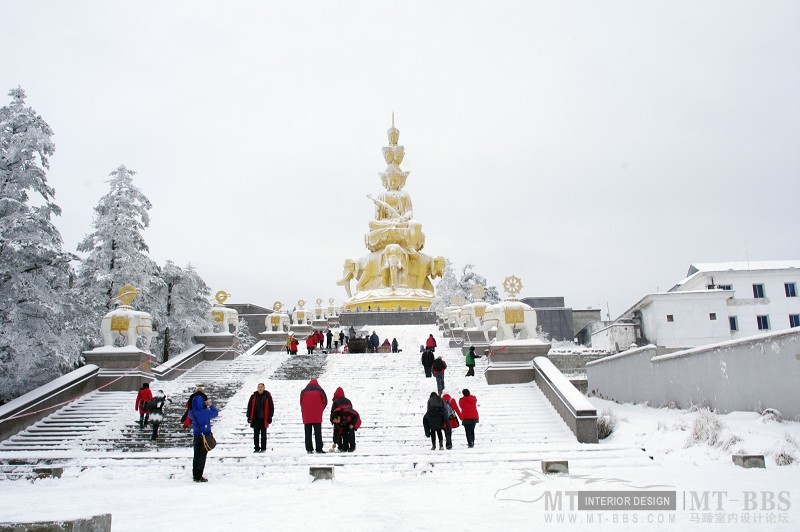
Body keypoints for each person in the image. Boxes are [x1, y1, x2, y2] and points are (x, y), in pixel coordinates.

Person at [189, 388, 218, 482]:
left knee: (196, 456)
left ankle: (195, 474)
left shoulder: (192, 412)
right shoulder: (205, 412)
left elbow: (189, 415)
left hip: (196, 435)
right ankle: (199, 476)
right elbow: (215, 413)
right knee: (202, 456)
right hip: (205, 436)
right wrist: (210, 405)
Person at [300, 378, 328, 454]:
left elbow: (301, 402)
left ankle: (309, 449)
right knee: (318, 433)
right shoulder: (320, 390)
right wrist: (321, 409)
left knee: (307, 433)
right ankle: (319, 449)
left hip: (306, 416)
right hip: (317, 415)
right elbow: (325, 401)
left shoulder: (304, 391)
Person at [247, 383, 274, 453]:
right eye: (259, 387)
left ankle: (263, 448)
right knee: (256, 434)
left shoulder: (267, 396)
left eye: (261, 387)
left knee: (263, 435)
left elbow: (271, 407)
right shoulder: (253, 396)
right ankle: (256, 447)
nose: (260, 388)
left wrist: (270, 416)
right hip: (255, 419)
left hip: (264, 419)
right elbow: (249, 407)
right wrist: (249, 416)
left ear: (264, 388)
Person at [330, 387, 353, 452]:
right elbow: (351, 410)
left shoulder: (336, 402)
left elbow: (332, 412)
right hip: (347, 420)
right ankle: (345, 446)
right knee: (345, 433)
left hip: (338, 420)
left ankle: (340, 446)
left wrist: (332, 420)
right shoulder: (348, 401)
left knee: (338, 433)